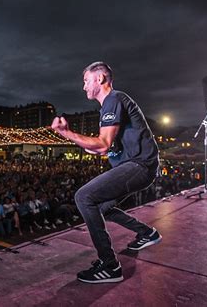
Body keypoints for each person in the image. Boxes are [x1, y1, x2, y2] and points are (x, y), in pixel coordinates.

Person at [51, 61, 162, 284]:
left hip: (139, 165)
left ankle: (110, 266)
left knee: (84, 197)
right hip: (137, 166)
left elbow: (102, 144)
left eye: (85, 81)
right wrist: (91, 145)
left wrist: (66, 133)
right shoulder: (109, 107)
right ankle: (147, 233)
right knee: (102, 207)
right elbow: (103, 148)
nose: (83, 87)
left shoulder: (113, 99)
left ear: (100, 79)